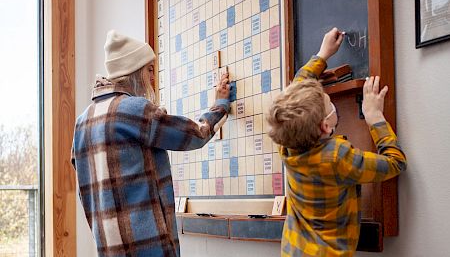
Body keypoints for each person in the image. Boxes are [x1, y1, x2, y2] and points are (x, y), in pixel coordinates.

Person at [71, 30, 230, 257]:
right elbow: (196, 135)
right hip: (148, 248)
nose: (153, 78)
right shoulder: (134, 109)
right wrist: (220, 105)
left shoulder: (82, 122)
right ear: (134, 72)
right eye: (150, 70)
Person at [266, 28, 407, 257]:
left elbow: (297, 89)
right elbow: (395, 163)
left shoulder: (288, 141)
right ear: (325, 126)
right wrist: (375, 118)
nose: (328, 97)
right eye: (329, 101)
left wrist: (322, 55)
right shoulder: (337, 157)